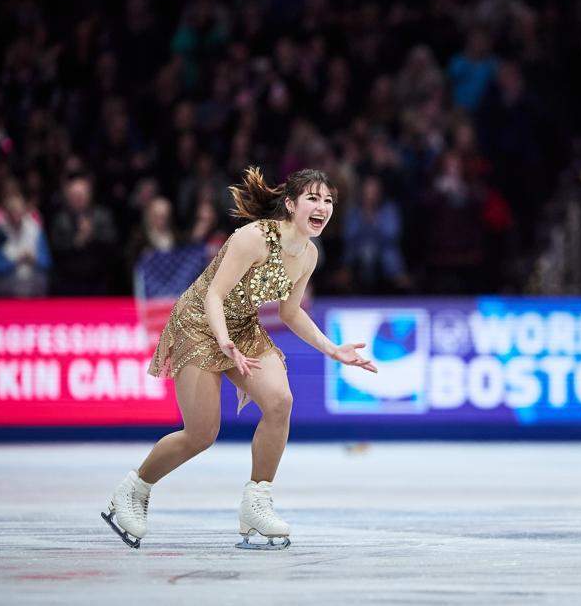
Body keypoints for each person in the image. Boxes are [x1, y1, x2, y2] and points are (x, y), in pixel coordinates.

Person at [102, 167, 378, 550]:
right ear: (291, 204)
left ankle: (256, 502)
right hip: (199, 323)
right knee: (201, 434)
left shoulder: (308, 255)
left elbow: (290, 313)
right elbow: (214, 295)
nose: (322, 207)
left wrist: (333, 349)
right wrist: (223, 341)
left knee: (280, 402)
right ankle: (132, 490)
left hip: (242, 328)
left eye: (328, 200)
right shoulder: (253, 238)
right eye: (313, 198)